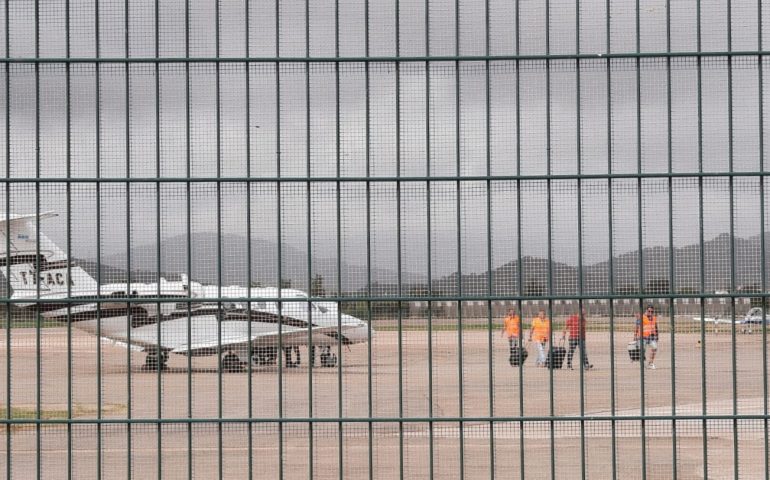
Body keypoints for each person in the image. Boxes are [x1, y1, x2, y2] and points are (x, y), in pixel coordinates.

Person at [634, 305, 659, 369]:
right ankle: (642, 363)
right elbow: (637, 327)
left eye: (652, 311)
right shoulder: (641, 317)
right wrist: (635, 336)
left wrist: (657, 335)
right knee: (642, 350)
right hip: (643, 337)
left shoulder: (654, 318)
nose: (650, 312)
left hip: (651, 336)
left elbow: (656, 327)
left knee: (655, 347)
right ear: (646, 311)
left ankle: (650, 363)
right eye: (649, 311)